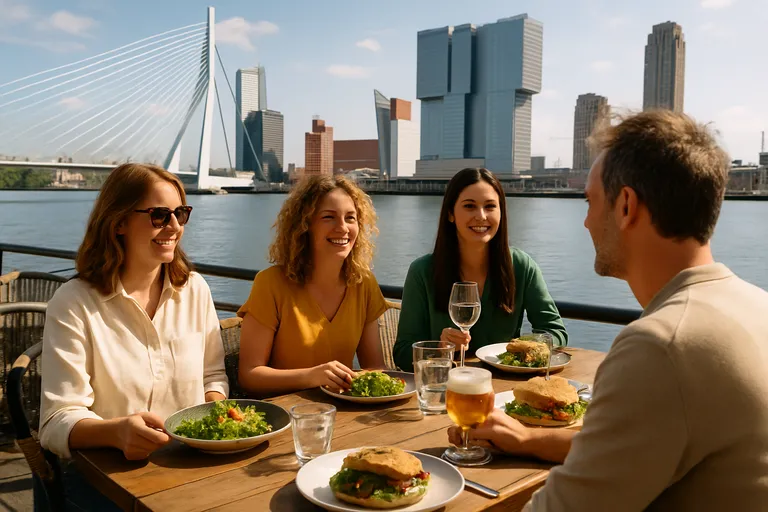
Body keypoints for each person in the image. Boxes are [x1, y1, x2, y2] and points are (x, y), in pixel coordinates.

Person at [448, 111, 768, 510]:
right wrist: (530, 440)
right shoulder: (757, 306)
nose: (584, 221)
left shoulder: (660, 346)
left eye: (590, 201)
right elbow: (644, 439)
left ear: (626, 206)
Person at [37, 163, 228, 510]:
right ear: (119, 222)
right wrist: (116, 432)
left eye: (180, 214)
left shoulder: (195, 290)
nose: (174, 227)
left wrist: (219, 409)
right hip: (103, 481)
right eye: (159, 215)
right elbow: (55, 421)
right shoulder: (73, 303)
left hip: (186, 469)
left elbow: (212, 375)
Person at [393, 168, 567, 372]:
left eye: (490, 206)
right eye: (469, 206)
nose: (481, 216)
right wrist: (441, 349)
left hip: (506, 388)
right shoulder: (422, 271)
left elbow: (556, 332)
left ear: (501, 213)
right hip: (449, 391)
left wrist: (523, 346)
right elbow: (403, 354)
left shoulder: (521, 265)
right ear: (450, 213)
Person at [237, 175, 388, 396]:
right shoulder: (270, 283)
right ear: (305, 226)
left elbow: (375, 368)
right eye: (329, 217)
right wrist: (311, 376)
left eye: (350, 218)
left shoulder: (364, 283)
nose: (343, 228)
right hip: (286, 417)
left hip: (346, 414)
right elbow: (249, 376)